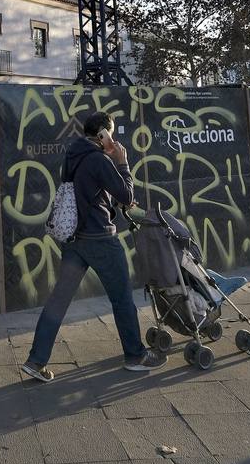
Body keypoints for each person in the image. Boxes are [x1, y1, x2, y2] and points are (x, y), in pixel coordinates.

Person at [21, 112, 164, 382]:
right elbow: (126, 196)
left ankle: (35, 360)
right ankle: (135, 356)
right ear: (103, 134)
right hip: (100, 239)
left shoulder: (72, 155)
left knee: (59, 300)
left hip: (75, 241)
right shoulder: (99, 159)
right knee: (122, 298)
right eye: (112, 132)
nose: (114, 137)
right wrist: (122, 163)